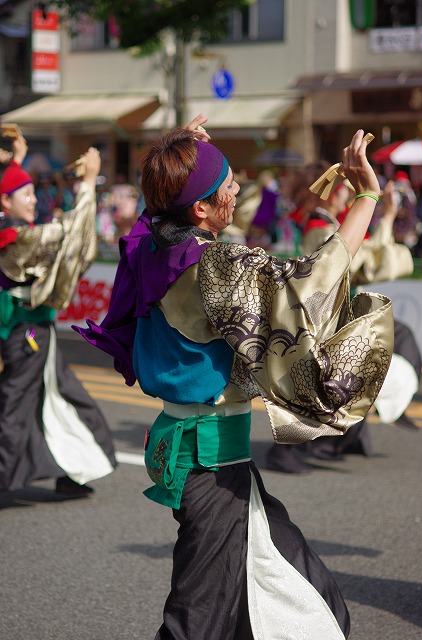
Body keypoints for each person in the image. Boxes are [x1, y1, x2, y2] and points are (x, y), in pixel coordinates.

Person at [74, 115, 391, 639]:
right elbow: (307, 283)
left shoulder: (154, 249)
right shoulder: (214, 265)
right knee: (197, 622)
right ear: (199, 208)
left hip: (210, 460)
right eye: (226, 185)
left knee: (303, 595)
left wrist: (183, 152)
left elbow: (151, 217)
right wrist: (366, 199)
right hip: (210, 466)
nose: (238, 187)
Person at [0, 133, 116, 497]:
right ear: (5, 201)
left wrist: (15, 160)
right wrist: (85, 185)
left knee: (61, 398)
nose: (35, 199)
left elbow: (65, 235)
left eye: (34, 192)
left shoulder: (15, 229)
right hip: (28, 336)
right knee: (17, 403)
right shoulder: (16, 236)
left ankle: (74, 470)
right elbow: (70, 235)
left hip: (35, 333)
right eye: (27, 194)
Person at [294, 178, 420, 461]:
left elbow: (367, 256)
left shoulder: (327, 225)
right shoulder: (320, 229)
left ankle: (385, 410)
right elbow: (366, 262)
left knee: (382, 352)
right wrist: (385, 216)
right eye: (345, 192)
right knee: (363, 365)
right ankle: (392, 404)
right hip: (328, 319)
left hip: (338, 313)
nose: (347, 198)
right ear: (331, 196)